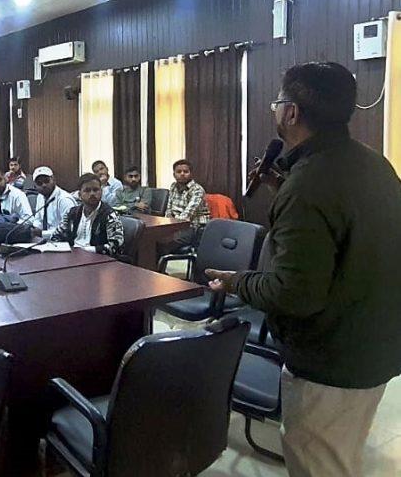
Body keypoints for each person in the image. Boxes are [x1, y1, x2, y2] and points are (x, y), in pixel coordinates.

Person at [206, 62, 401, 477]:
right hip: (375, 346)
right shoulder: (373, 163)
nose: (275, 111)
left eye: (277, 103)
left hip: (331, 362)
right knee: (342, 456)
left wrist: (237, 281)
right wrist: (286, 190)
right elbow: (345, 233)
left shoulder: (309, 183)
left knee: (319, 466)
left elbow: (294, 293)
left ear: (291, 112)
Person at [51, 173, 124, 255]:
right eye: (87, 190)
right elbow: (56, 237)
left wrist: (85, 250)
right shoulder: (72, 213)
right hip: (72, 256)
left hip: (98, 258)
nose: (92, 194)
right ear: (79, 195)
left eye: (96, 190)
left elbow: (116, 246)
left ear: (101, 192)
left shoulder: (110, 215)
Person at [164, 159, 210, 249]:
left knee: (167, 240)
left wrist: (171, 224)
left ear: (191, 174)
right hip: (175, 224)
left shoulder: (197, 190)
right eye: (178, 171)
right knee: (153, 236)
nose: (182, 174)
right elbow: (169, 209)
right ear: (174, 174)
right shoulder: (173, 186)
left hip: (195, 227)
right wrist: (167, 222)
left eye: (186, 171)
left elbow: (186, 215)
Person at [31, 166, 78, 239]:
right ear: (35, 186)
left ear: (54, 180)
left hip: (63, 241)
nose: (44, 185)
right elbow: (38, 220)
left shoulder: (65, 199)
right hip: (45, 239)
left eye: (46, 181)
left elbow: (67, 229)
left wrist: (42, 234)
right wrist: (33, 230)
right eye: (39, 183)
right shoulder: (40, 196)